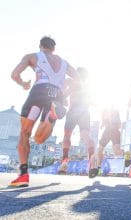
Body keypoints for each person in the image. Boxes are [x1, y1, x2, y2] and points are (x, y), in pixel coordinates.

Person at [9, 36, 78, 187]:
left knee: (25, 133)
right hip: (56, 95)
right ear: (54, 48)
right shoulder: (64, 63)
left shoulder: (32, 56)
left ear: (41, 46)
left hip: (39, 90)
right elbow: (78, 80)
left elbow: (14, 74)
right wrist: (64, 93)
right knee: (39, 139)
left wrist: (23, 83)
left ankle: (23, 175)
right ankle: (52, 115)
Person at [58, 67, 96, 177]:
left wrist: (63, 99)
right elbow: (93, 101)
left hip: (73, 111)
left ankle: (64, 163)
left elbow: (64, 94)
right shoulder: (89, 87)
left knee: (67, 136)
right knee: (86, 136)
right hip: (84, 112)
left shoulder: (72, 82)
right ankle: (92, 164)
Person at [92, 107, 124, 176]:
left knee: (115, 152)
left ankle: (126, 154)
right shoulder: (104, 111)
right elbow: (105, 120)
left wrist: (115, 125)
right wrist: (103, 123)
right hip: (109, 131)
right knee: (101, 150)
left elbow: (119, 124)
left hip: (112, 131)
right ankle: (98, 167)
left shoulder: (114, 111)